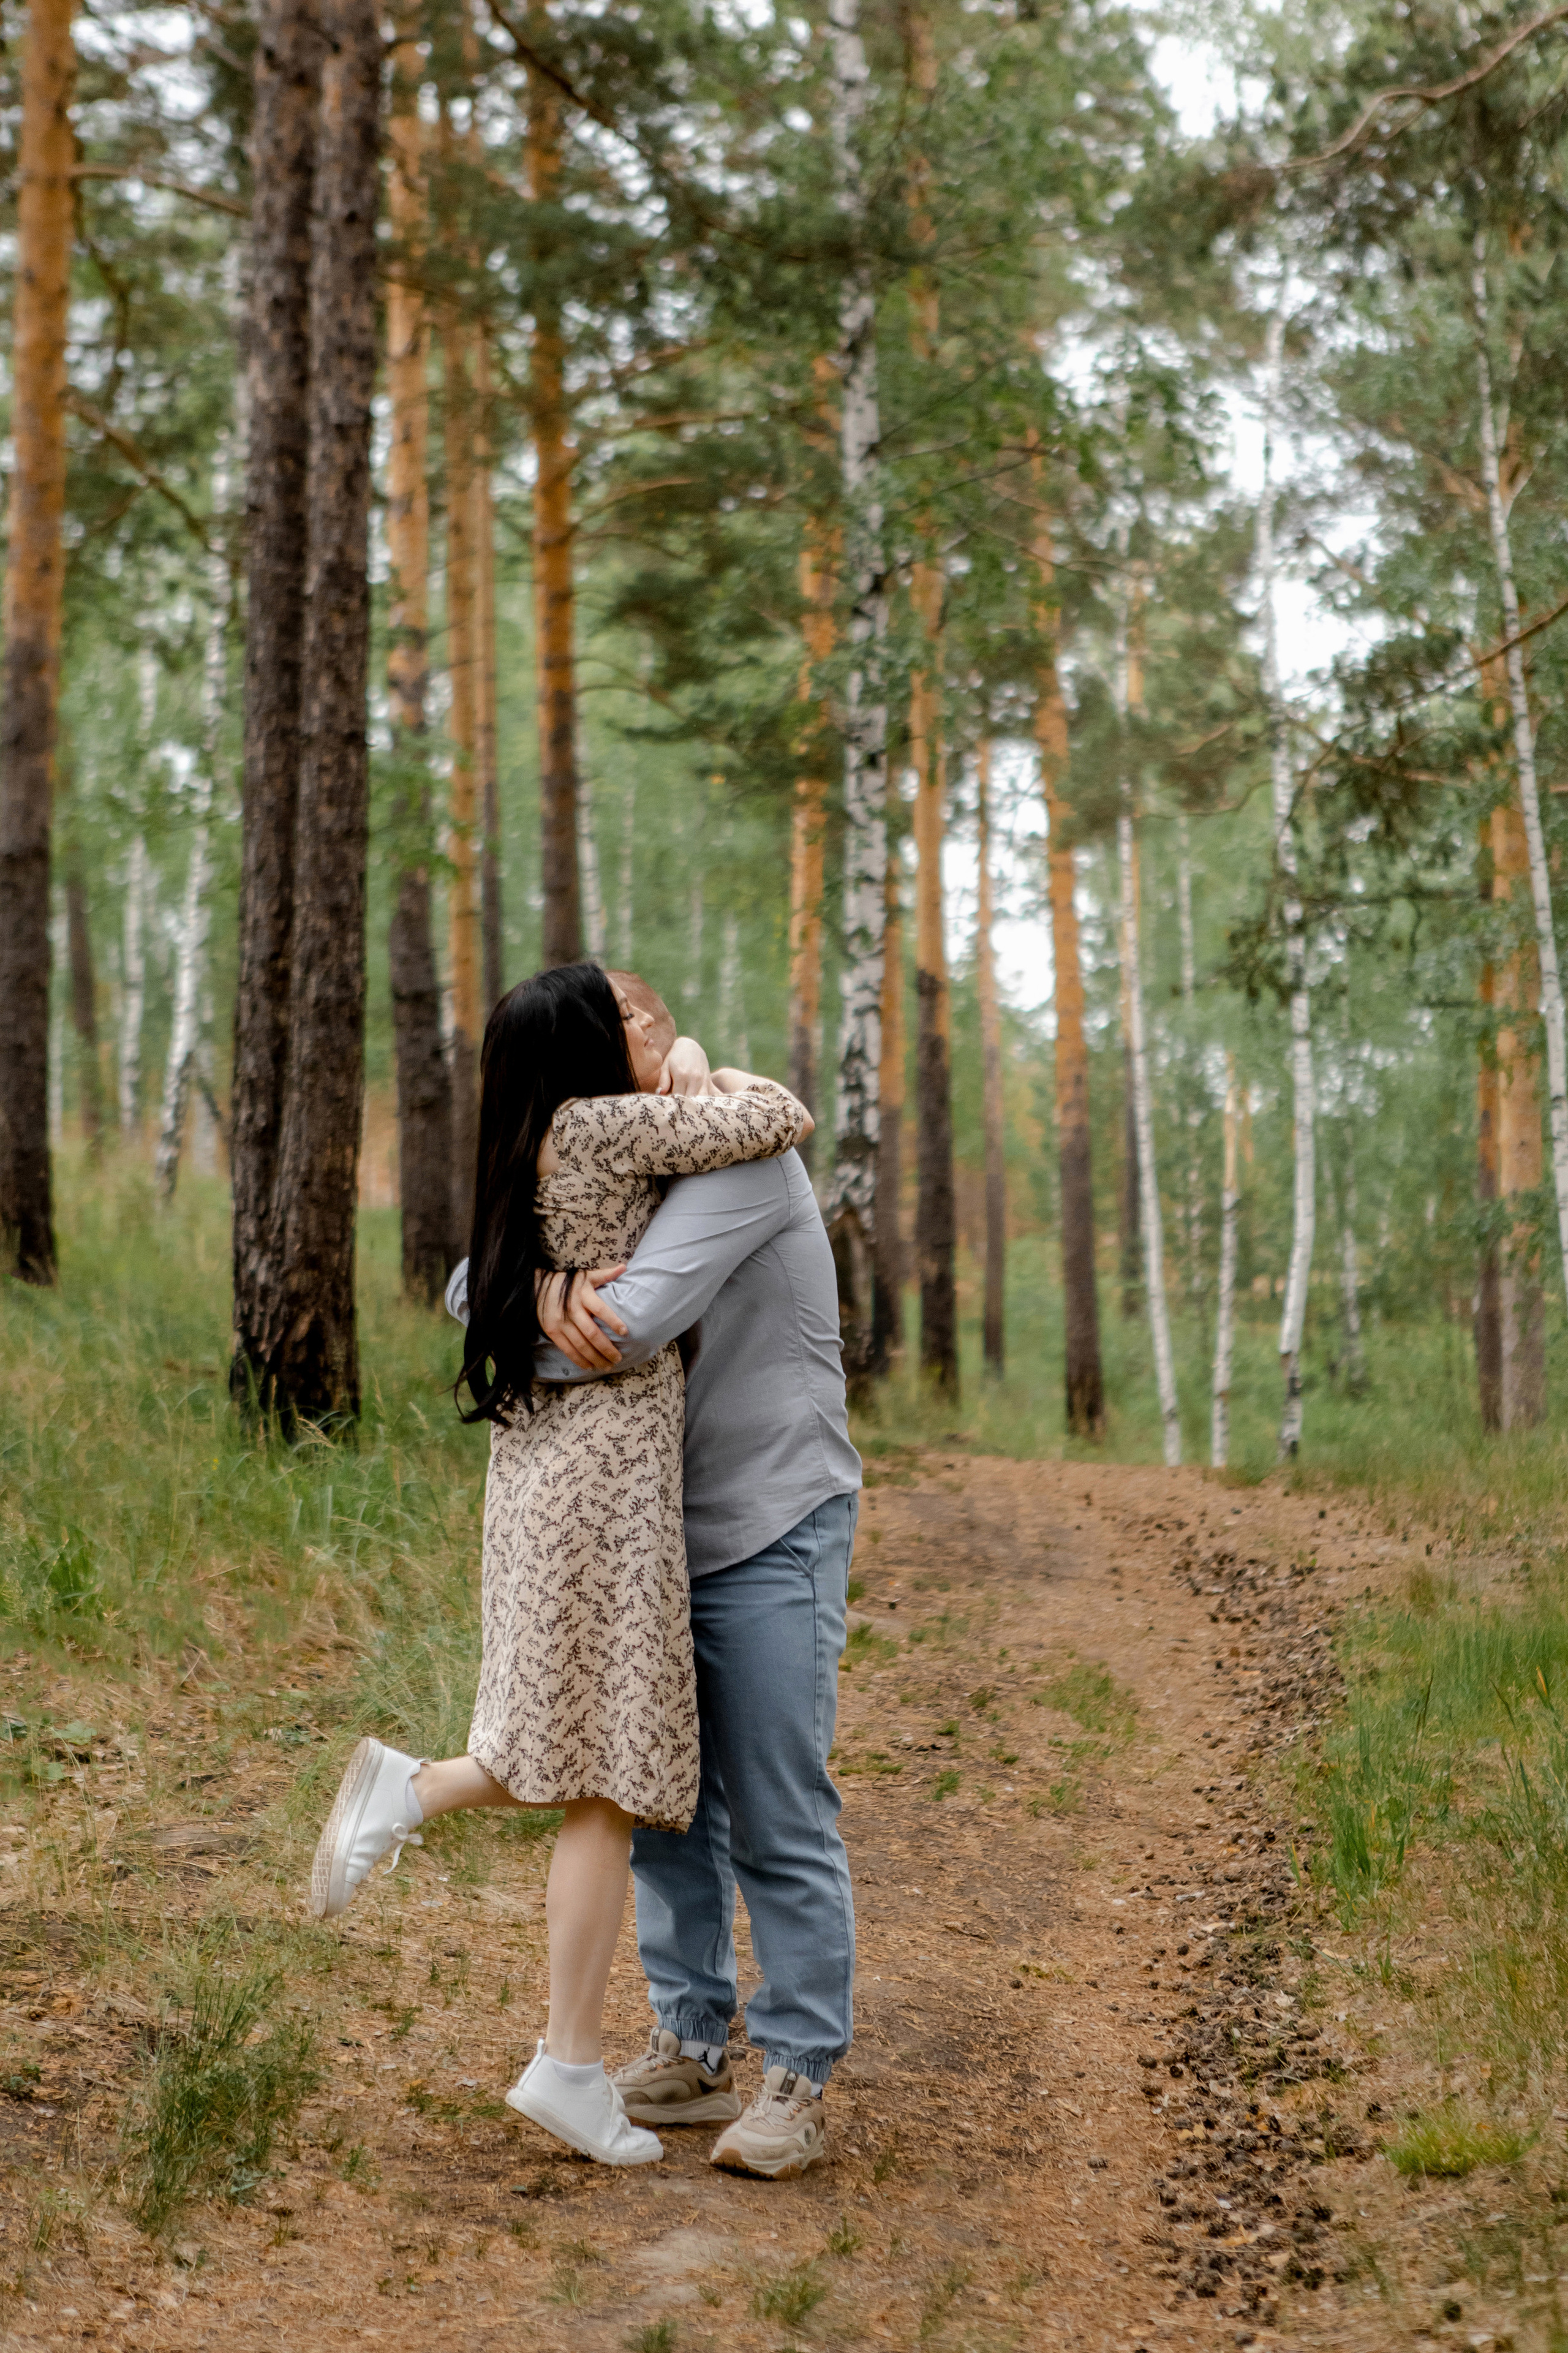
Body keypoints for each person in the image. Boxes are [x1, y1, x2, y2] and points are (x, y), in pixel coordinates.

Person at [309, 962, 810, 2167]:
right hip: (604, 1481)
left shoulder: (533, 1136)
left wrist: (530, 1289)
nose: (654, 1024)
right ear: (590, 1048)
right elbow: (782, 1116)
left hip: (540, 1474)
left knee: (581, 1752)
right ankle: (566, 2060)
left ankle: (425, 1820)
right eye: (628, 1016)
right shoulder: (606, 1126)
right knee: (603, 1766)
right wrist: (702, 1070)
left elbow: (462, 1283)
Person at [458, 969, 864, 2182]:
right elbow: (464, 1276)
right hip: (651, 1534)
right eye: (630, 1018)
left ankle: (796, 2067)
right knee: (663, 1805)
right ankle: (690, 2040)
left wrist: (508, 1306)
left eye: (655, 1013)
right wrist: (524, 1285)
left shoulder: (734, 1158)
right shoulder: (616, 1155)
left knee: (776, 1806)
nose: (652, 1028)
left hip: (770, 1515)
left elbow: (627, 1323)